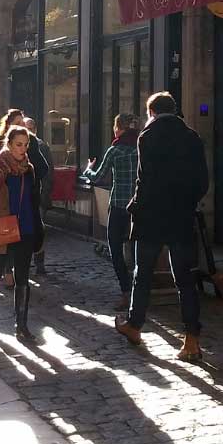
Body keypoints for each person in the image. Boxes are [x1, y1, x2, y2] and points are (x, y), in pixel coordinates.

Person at [115, 92, 209, 362]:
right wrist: (187, 202)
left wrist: (136, 206)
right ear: (175, 110)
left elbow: (144, 179)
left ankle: (134, 326)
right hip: (180, 216)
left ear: (151, 112)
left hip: (152, 217)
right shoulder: (192, 137)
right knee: (185, 279)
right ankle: (191, 339)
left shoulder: (147, 137)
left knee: (142, 273)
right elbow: (202, 181)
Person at [0, 127, 45, 342]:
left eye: (26, 145)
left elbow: (34, 200)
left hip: (26, 228)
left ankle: (21, 326)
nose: (22, 149)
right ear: (9, 143)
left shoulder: (28, 169)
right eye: (18, 144)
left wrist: (38, 229)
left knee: (23, 278)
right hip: (1, 228)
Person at [82, 113, 140, 311]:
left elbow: (97, 177)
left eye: (115, 127)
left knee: (115, 248)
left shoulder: (114, 151)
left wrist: (88, 169)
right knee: (138, 249)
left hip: (118, 205)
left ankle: (126, 291)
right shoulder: (143, 148)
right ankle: (140, 290)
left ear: (119, 129)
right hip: (140, 206)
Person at [0, 110, 49, 287]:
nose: (21, 126)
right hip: (6, 202)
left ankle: (25, 273)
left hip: (27, 199)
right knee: (8, 235)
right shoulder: (1, 146)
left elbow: (43, 169)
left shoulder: (32, 144)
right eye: (17, 123)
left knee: (28, 235)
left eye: (22, 123)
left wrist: (28, 168)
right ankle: (8, 270)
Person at [23, 117, 54, 275]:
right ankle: (25, 262)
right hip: (23, 197)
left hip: (37, 195)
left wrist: (44, 195)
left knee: (38, 229)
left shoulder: (40, 146)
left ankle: (39, 263)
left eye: (28, 128)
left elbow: (47, 172)